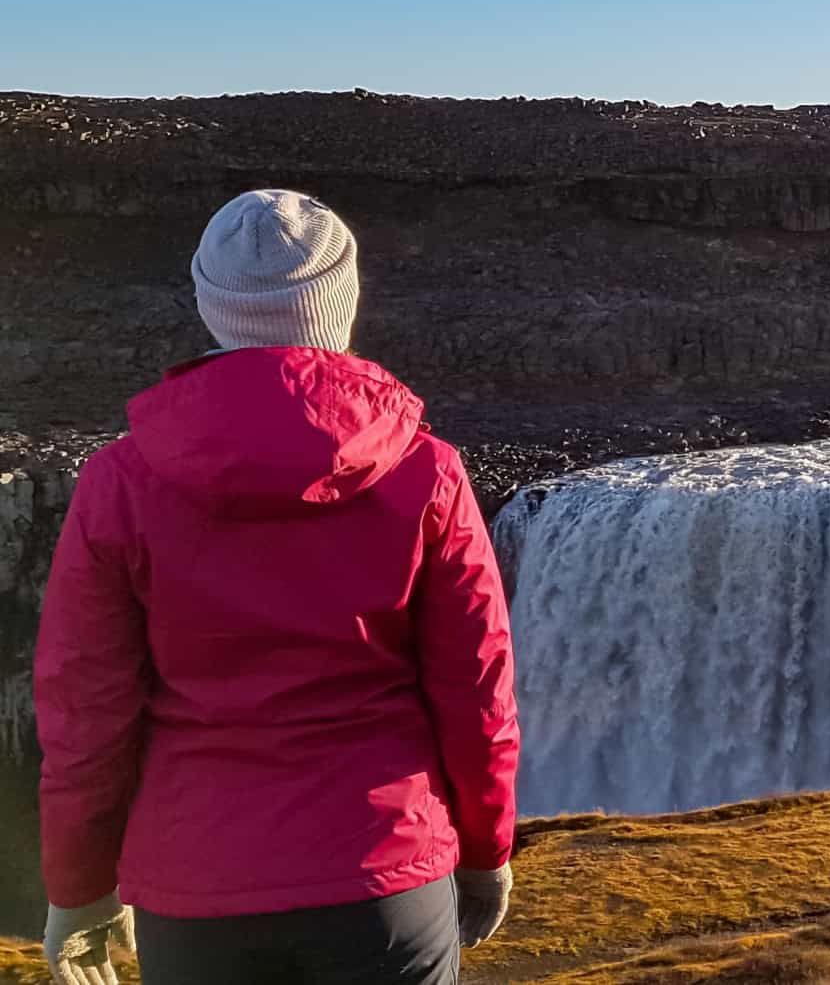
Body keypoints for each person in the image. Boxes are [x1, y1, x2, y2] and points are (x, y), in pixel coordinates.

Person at [35, 190, 520, 985]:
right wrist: (486, 847)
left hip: (196, 893)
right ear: (342, 300)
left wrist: (79, 887)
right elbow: (478, 689)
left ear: (211, 306)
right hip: (385, 880)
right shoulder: (427, 470)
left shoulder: (117, 482)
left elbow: (84, 709)